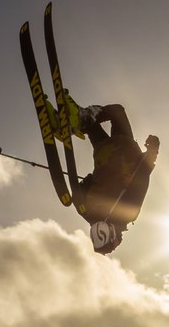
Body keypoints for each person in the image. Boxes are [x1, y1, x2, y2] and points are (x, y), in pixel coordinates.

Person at [65, 97, 159, 254]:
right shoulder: (86, 212)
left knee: (117, 111)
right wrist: (94, 181)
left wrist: (153, 151)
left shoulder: (128, 213)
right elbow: (81, 187)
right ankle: (78, 118)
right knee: (90, 125)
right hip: (103, 154)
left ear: (108, 235)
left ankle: (81, 118)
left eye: (115, 242)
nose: (119, 240)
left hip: (124, 152)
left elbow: (141, 178)